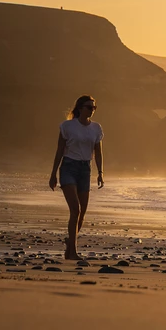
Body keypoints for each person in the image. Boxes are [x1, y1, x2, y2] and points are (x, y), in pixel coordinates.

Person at [48, 95, 104, 260]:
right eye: (88, 107)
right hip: (69, 167)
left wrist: (100, 172)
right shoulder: (67, 126)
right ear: (80, 108)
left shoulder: (96, 128)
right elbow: (59, 150)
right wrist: (53, 174)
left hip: (85, 169)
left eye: (94, 108)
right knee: (75, 209)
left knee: (82, 213)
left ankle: (69, 245)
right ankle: (73, 252)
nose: (91, 110)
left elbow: (98, 152)